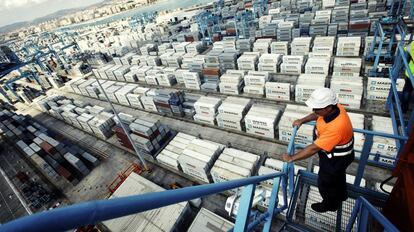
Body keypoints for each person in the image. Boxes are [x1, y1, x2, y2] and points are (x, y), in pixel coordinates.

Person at [282, 88, 355, 213]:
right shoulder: (335, 108)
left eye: (317, 108)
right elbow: (316, 115)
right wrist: (302, 121)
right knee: (338, 177)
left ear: (328, 108)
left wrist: (292, 158)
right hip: (341, 157)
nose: (314, 111)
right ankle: (342, 195)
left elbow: (313, 148)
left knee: (325, 183)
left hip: (335, 160)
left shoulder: (336, 127)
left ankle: (330, 205)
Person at [402, 41, 414, 113]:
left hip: (411, 72)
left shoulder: (413, 43)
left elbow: (404, 48)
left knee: (407, 90)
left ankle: (404, 109)